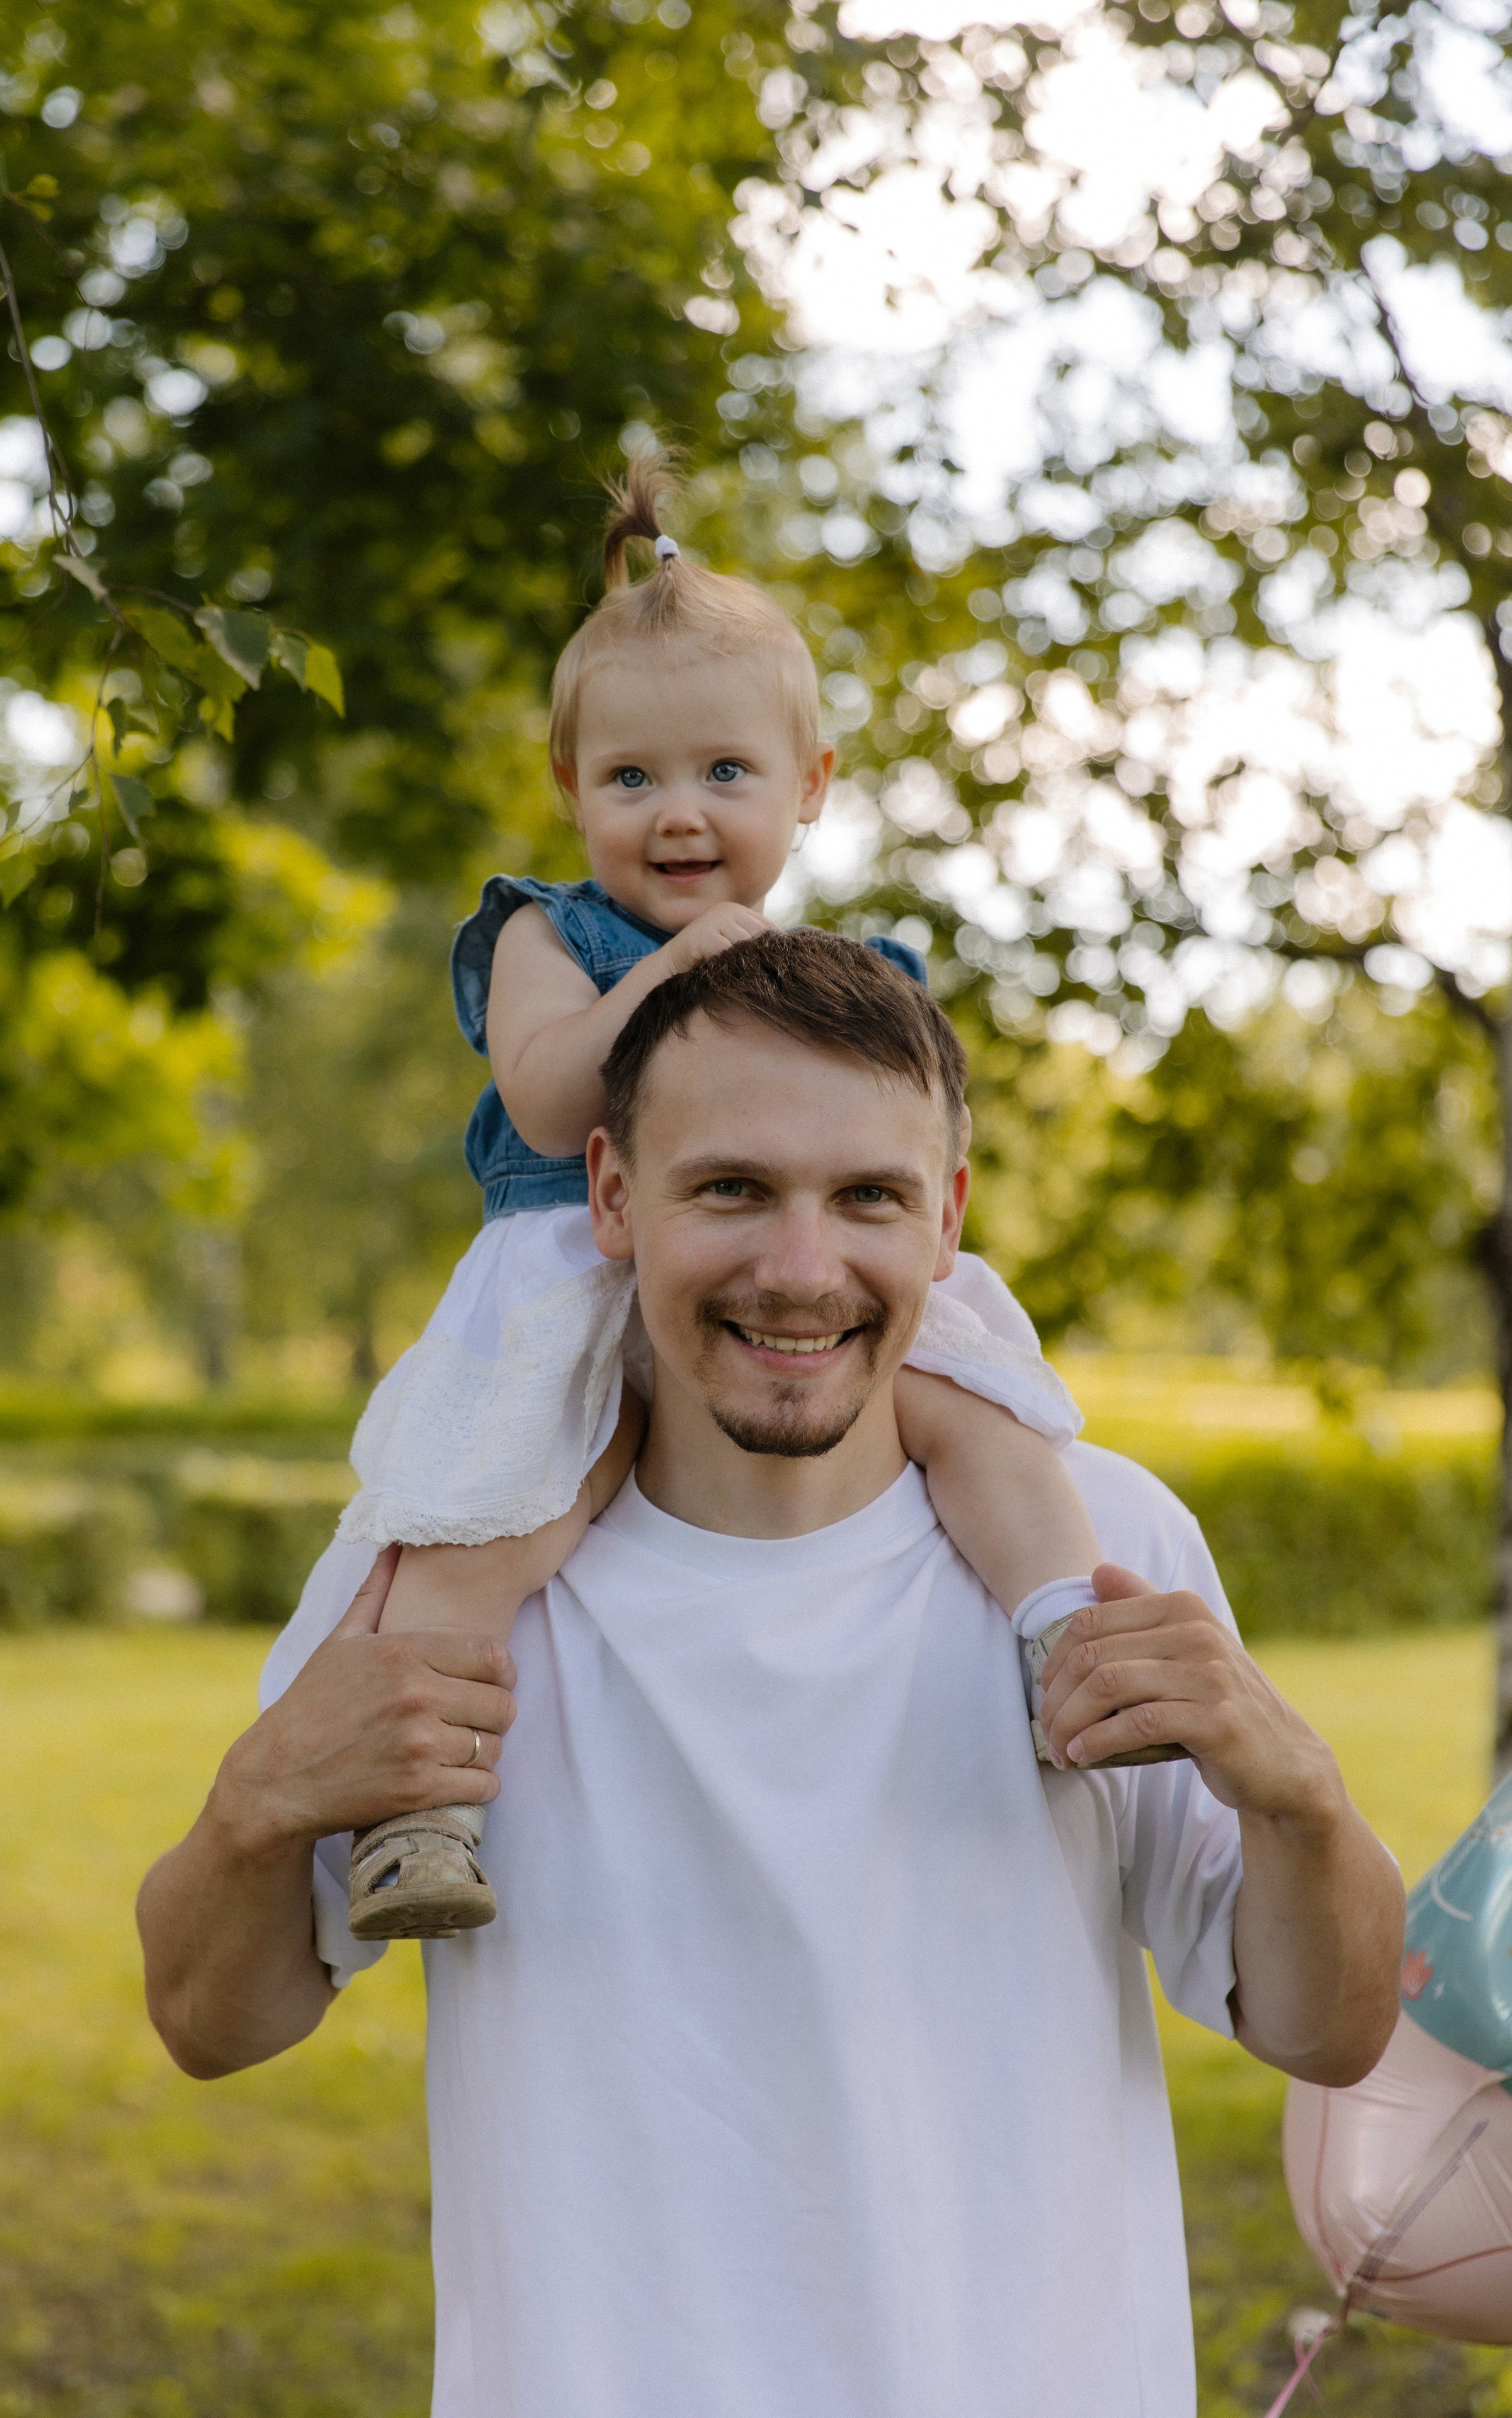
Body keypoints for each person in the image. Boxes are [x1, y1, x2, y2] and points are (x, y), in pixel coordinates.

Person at [139, 928, 1404, 2418]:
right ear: (612, 1197)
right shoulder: (436, 1581)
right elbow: (211, 2024)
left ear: (945, 1216)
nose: (801, 1273)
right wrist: (253, 1807)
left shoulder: (1096, 1551)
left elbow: (1324, 2030)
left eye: (866, 1197)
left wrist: (1301, 1803)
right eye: (730, 1189)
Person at [333, 456, 1115, 1942]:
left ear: (808, 786)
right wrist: (677, 973)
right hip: (569, 1290)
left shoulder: (844, 974)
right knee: (487, 1524)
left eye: (724, 775)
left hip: (758, 1283)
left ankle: (1065, 1648)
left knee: (977, 1418)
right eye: (630, 779)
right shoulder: (547, 936)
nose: (677, 815)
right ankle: (418, 1809)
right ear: (569, 789)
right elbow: (549, 1099)